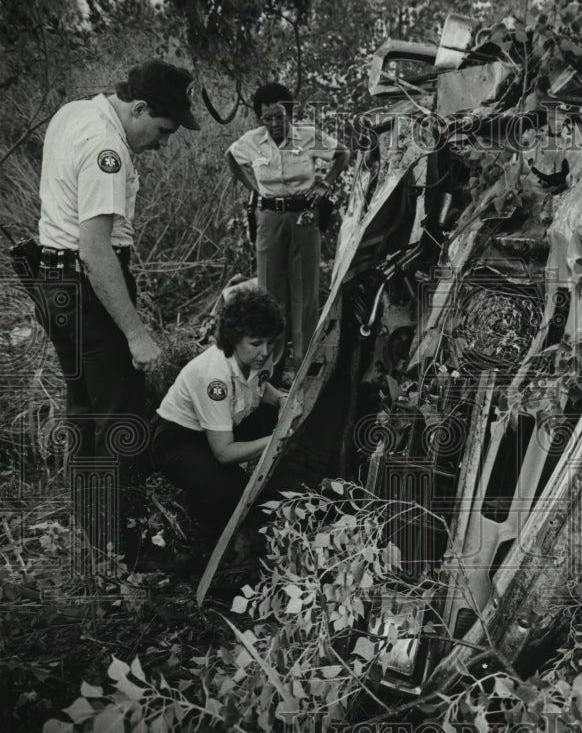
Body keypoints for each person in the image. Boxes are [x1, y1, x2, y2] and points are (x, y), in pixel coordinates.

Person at [32, 59, 200, 571]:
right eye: (163, 129)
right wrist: (135, 332)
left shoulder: (74, 113)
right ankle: (128, 554)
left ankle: (95, 539)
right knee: (123, 421)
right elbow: (95, 250)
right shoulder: (108, 147)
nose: (164, 142)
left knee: (85, 415)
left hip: (53, 282)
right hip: (87, 288)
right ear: (140, 108)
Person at [151, 287, 299, 542]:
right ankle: (208, 529)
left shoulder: (255, 357)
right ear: (233, 338)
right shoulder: (214, 377)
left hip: (224, 423)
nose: (265, 352)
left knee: (278, 420)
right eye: (255, 343)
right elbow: (223, 452)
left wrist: (281, 399)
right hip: (180, 440)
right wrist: (275, 439)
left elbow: (260, 386)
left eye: (270, 343)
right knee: (233, 493)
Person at [224, 82, 350, 382]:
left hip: (304, 219)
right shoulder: (252, 142)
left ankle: (304, 368)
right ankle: (271, 369)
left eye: (279, 116)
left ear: (289, 112)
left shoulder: (307, 136)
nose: (274, 123)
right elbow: (231, 158)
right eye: (267, 117)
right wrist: (253, 188)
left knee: (305, 294)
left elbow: (342, 153)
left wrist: (325, 183)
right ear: (260, 119)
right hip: (269, 219)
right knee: (271, 294)